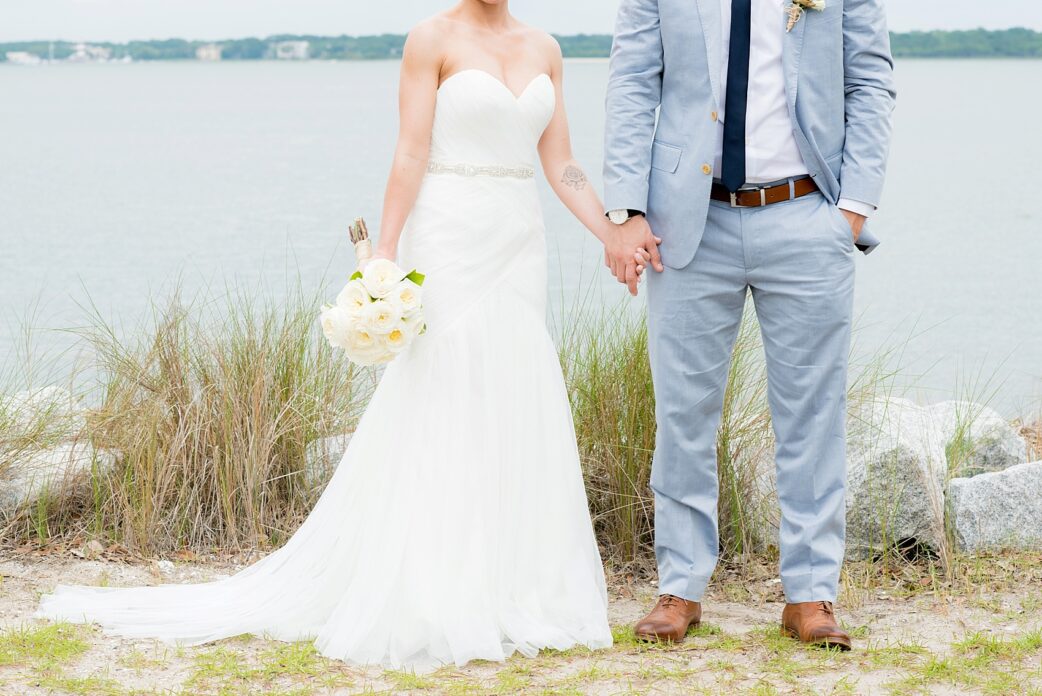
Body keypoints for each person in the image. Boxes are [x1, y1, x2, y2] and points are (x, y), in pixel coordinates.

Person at [35, 0, 659, 671]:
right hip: (450, 233)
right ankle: (434, 585)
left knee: (512, 389)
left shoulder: (546, 48)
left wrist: (612, 231)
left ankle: (513, 582)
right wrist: (384, 258)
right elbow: (412, 149)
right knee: (444, 391)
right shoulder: (432, 38)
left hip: (519, 239)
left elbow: (560, 161)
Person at [604, 0, 895, 650]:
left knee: (812, 414)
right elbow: (631, 81)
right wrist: (625, 209)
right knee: (683, 412)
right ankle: (680, 586)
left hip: (805, 212)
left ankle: (811, 594)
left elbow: (871, 79)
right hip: (685, 222)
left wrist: (852, 207)